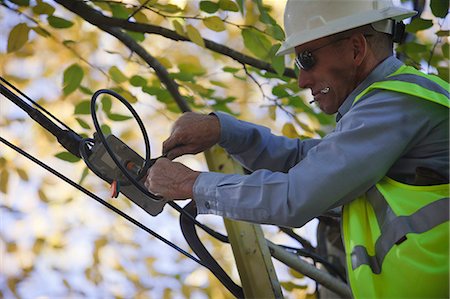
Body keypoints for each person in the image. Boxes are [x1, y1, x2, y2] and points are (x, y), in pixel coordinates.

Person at [145, 0, 449, 297]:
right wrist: (223, 130)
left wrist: (189, 184)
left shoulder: (396, 104)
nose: (302, 80)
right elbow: (307, 162)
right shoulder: (389, 109)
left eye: (306, 58)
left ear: (356, 49)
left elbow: (298, 194)